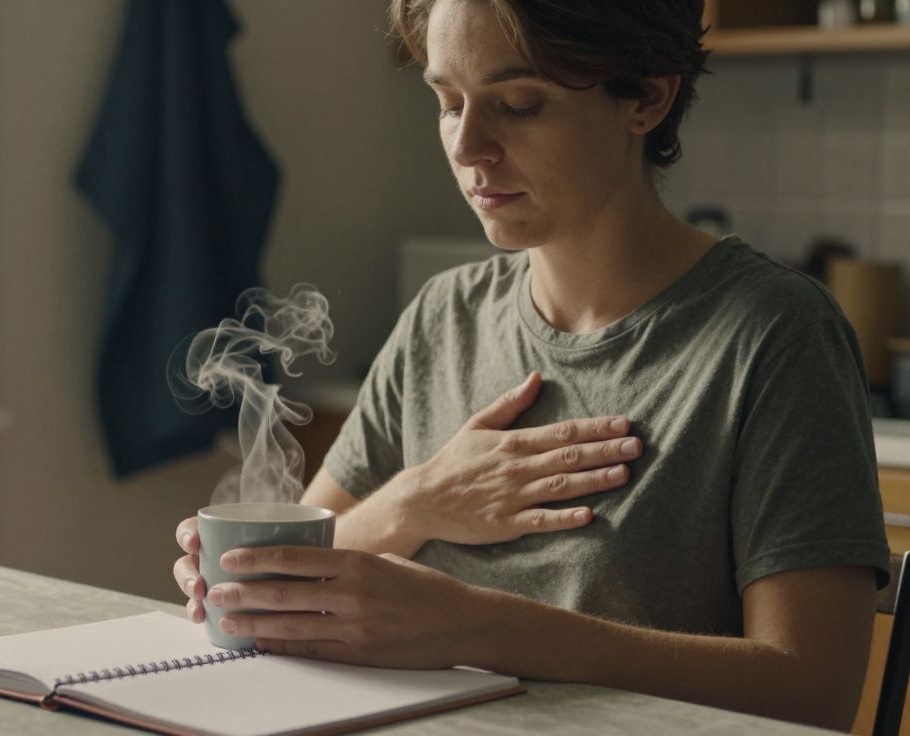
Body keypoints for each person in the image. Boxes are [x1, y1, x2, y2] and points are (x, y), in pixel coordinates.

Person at [171, 0, 890, 730]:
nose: (468, 145)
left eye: (518, 104)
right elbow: (319, 560)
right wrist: (419, 501)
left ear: (646, 95)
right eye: (448, 102)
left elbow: (814, 693)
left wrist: (483, 628)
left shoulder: (774, 335)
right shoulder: (442, 317)